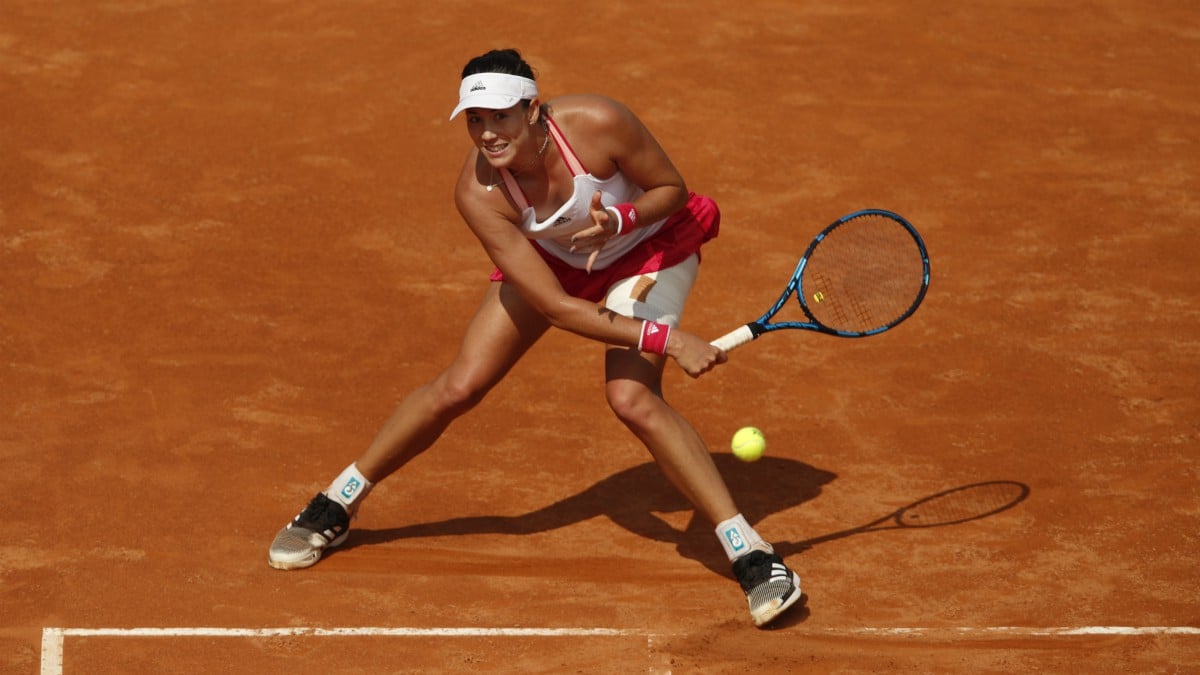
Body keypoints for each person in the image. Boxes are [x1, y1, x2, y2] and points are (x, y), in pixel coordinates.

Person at [268, 48, 803, 628]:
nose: (488, 133)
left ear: (534, 110)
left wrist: (620, 219)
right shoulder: (479, 194)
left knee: (631, 398)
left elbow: (671, 189)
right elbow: (554, 305)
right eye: (475, 120)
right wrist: (669, 340)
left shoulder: (599, 123)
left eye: (501, 117)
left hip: (649, 247)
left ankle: (751, 552)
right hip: (557, 268)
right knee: (460, 386)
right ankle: (336, 503)